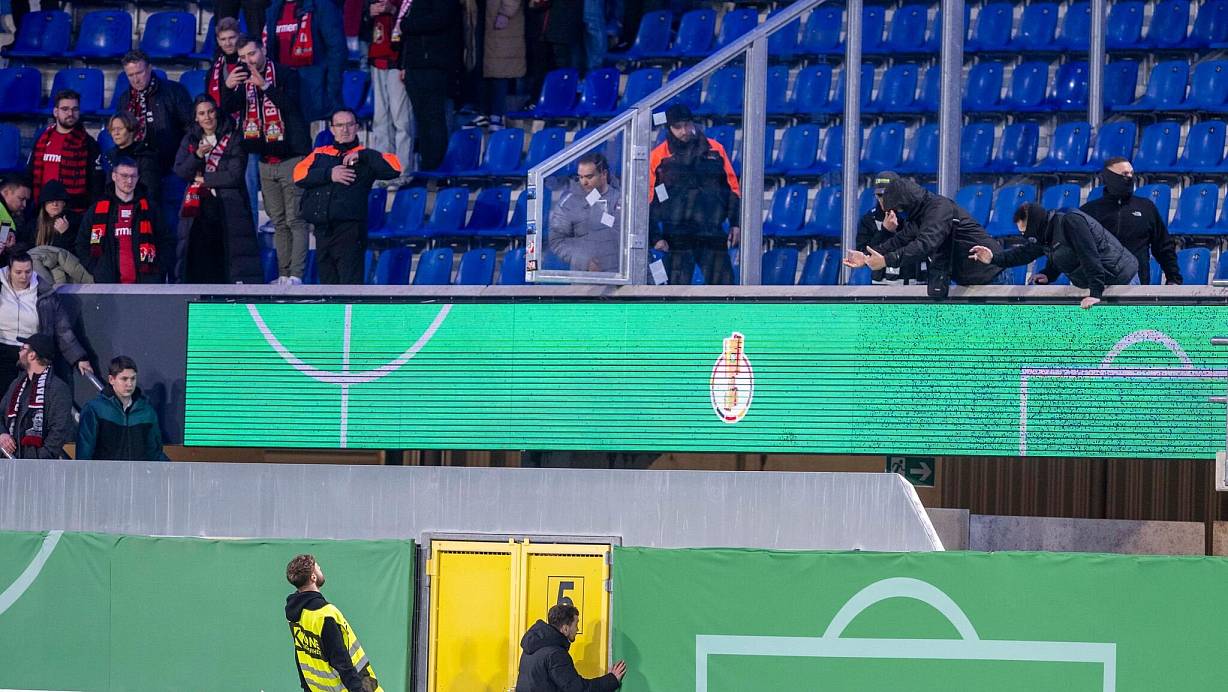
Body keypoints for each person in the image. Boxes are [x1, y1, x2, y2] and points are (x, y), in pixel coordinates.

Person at [224, 36, 314, 285]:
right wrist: (227, 87)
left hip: (292, 157)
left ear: (263, 50)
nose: (247, 61)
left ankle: (297, 275)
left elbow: (293, 108)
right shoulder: (243, 80)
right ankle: (284, 274)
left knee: (295, 219)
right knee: (278, 221)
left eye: (252, 54)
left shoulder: (286, 74)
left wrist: (265, 86)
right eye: (242, 57)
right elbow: (226, 109)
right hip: (264, 160)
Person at [844, 172, 1003, 298]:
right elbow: (899, 240)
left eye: (900, 209)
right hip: (969, 278)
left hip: (990, 275)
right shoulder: (920, 214)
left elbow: (924, 245)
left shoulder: (939, 209)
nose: (899, 213)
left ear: (906, 202)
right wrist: (865, 257)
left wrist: (886, 261)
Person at [294, 109, 401, 284]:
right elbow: (298, 175)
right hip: (322, 230)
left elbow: (394, 169)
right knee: (327, 288)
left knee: (349, 287)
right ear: (332, 129)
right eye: (340, 125)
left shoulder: (366, 155)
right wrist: (329, 174)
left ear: (357, 127)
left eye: (350, 125)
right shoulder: (320, 153)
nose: (345, 129)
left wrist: (364, 155)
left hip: (350, 230)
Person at [969, 202, 1139, 309]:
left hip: (1121, 278)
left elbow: (1089, 256)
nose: (1025, 237)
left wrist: (1095, 293)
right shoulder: (1045, 235)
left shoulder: (1070, 222)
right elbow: (1023, 254)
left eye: (1025, 231)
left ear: (1035, 225)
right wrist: (993, 258)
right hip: (1103, 282)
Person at [172, 95, 263, 284]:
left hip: (228, 207)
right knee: (197, 260)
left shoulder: (234, 137)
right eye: (202, 113)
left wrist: (204, 179)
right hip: (196, 208)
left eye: (211, 111)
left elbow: (234, 175)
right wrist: (197, 155)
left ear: (217, 112)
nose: (207, 117)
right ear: (196, 117)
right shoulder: (190, 139)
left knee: (227, 261)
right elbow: (180, 170)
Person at [648, 104, 741, 285]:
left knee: (724, 288)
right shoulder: (657, 157)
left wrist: (736, 222)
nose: (684, 131)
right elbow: (648, 199)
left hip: (711, 230)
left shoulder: (715, 150)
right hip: (676, 234)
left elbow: (732, 187)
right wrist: (655, 237)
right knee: (673, 291)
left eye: (687, 124)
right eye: (678, 127)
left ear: (693, 124)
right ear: (669, 128)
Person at [285, 554, 383, 692]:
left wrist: (306, 687)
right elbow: (341, 661)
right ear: (313, 577)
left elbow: (300, 653)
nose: (320, 569)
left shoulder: (295, 614)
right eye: (318, 568)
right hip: (352, 686)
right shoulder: (326, 614)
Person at [1081, 157, 1182, 286]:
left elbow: (1163, 246)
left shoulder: (1146, 207)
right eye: (1124, 174)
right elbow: (1070, 245)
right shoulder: (1089, 211)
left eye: (1131, 174)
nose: (1129, 177)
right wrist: (1049, 274)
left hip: (1136, 286)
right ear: (1109, 176)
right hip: (1098, 286)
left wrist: (1173, 278)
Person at [0, 249, 92, 387]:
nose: (24, 276)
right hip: (2, 351)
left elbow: (63, 329)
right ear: (9, 271)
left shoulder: (45, 293)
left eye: (28, 271)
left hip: (32, 353)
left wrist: (79, 358)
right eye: (18, 272)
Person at [77, 158, 170, 284]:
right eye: (124, 176)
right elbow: (81, 243)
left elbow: (166, 241)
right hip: (108, 285)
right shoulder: (97, 209)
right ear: (114, 176)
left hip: (145, 283)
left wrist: (158, 268)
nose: (129, 181)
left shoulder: (150, 209)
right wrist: (97, 268)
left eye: (133, 176)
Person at [398, 0, 462, 171]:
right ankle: (427, 168)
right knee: (422, 120)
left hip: (433, 64)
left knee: (434, 119)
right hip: (415, 65)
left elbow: (440, 20)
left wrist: (407, 24)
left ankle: (437, 168)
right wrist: (404, 64)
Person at [265, 0, 346, 123]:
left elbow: (337, 49)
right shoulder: (273, 8)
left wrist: (331, 88)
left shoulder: (322, 6)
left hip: (314, 86)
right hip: (284, 86)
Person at [515, 603, 625, 692]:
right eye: (576, 624)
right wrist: (612, 679)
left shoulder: (531, 648)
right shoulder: (555, 654)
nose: (577, 630)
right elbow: (578, 689)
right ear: (565, 629)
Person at [115, 50, 194, 175]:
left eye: (139, 73)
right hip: (135, 165)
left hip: (170, 163)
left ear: (150, 68)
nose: (136, 80)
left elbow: (191, 127)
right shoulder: (125, 99)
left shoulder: (174, 91)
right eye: (130, 75)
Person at [75, 356, 168, 461]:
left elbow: (154, 453)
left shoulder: (147, 412)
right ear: (111, 379)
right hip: (103, 476)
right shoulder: (94, 409)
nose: (129, 384)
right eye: (124, 379)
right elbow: (84, 454)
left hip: (137, 476)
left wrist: (173, 470)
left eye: (133, 378)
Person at [0, 333, 75, 460]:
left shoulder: (58, 388)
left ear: (32, 355)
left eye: (22, 348)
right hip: (10, 463)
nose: (19, 352)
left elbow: (59, 430)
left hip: (38, 468)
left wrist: (40, 459)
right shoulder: (16, 384)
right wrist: (2, 434)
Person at [27, 89, 101, 212]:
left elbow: (95, 184)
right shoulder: (42, 140)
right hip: (42, 209)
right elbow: (31, 172)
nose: (70, 113)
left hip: (73, 211)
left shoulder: (88, 143)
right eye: (65, 109)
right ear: (56, 112)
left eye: (75, 109)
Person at [362, 0, 415, 174]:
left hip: (398, 63)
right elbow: (361, 30)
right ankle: (384, 170)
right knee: (380, 120)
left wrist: (394, 10)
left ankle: (403, 170)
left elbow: (415, 26)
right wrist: (368, 13)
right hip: (376, 61)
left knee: (401, 120)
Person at [549, 152, 621, 272]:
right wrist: (584, 261)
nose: (584, 182)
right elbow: (557, 241)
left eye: (589, 177)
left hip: (617, 277)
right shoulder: (569, 203)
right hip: (583, 278)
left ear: (603, 174)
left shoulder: (621, 199)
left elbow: (623, 232)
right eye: (580, 177)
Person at [477, 0, 526, 131]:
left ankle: (496, 115)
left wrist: (506, 12)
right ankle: (486, 113)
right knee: (491, 68)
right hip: (489, 19)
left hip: (503, 22)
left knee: (501, 69)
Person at [100, 113, 163, 208]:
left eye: (120, 129)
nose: (116, 133)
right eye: (113, 129)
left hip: (138, 210)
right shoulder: (109, 157)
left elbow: (150, 191)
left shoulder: (145, 157)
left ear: (131, 131)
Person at [23, 181, 82, 251]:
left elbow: (79, 250)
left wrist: (66, 233)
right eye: (50, 200)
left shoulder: (75, 221)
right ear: (44, 203)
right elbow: (26, 249)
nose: (55, 204)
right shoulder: (33, 225)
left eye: (58, 200)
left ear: (64, 203)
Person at [205, 17, 245, 109]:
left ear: (240, 36)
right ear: (218, 41)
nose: (227, 43)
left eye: (231, 38)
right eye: (223, 39)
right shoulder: (212, 71)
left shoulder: (249, 63)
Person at [0, 176, 32, 250]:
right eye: (21, 199)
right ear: (6, 192)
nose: (24, 205)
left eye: (26, 200)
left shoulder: (6, 213)